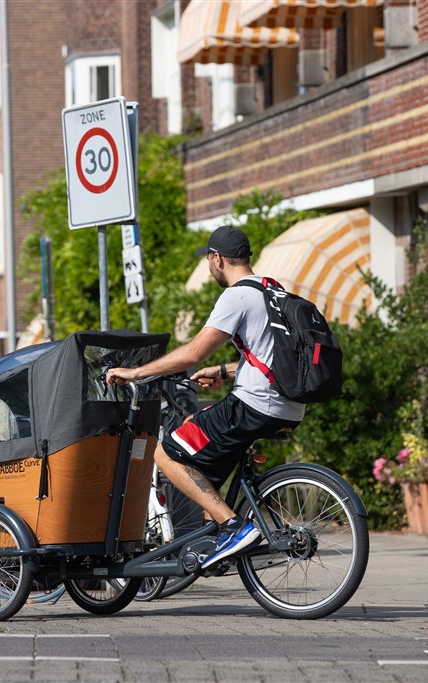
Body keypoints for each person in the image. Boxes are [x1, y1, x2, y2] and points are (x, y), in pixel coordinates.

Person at [106, 225, 304, 568]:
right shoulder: (274, 292)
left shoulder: (236, 295)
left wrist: (136, 373)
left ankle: (233, 526)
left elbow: (193, 352)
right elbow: (274, 357)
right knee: (198, 453)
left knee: (167, 453)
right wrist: (224, 371)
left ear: (216, 259)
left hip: (253, 405)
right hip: (289, 406)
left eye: (209, 260)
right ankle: (218, 543)